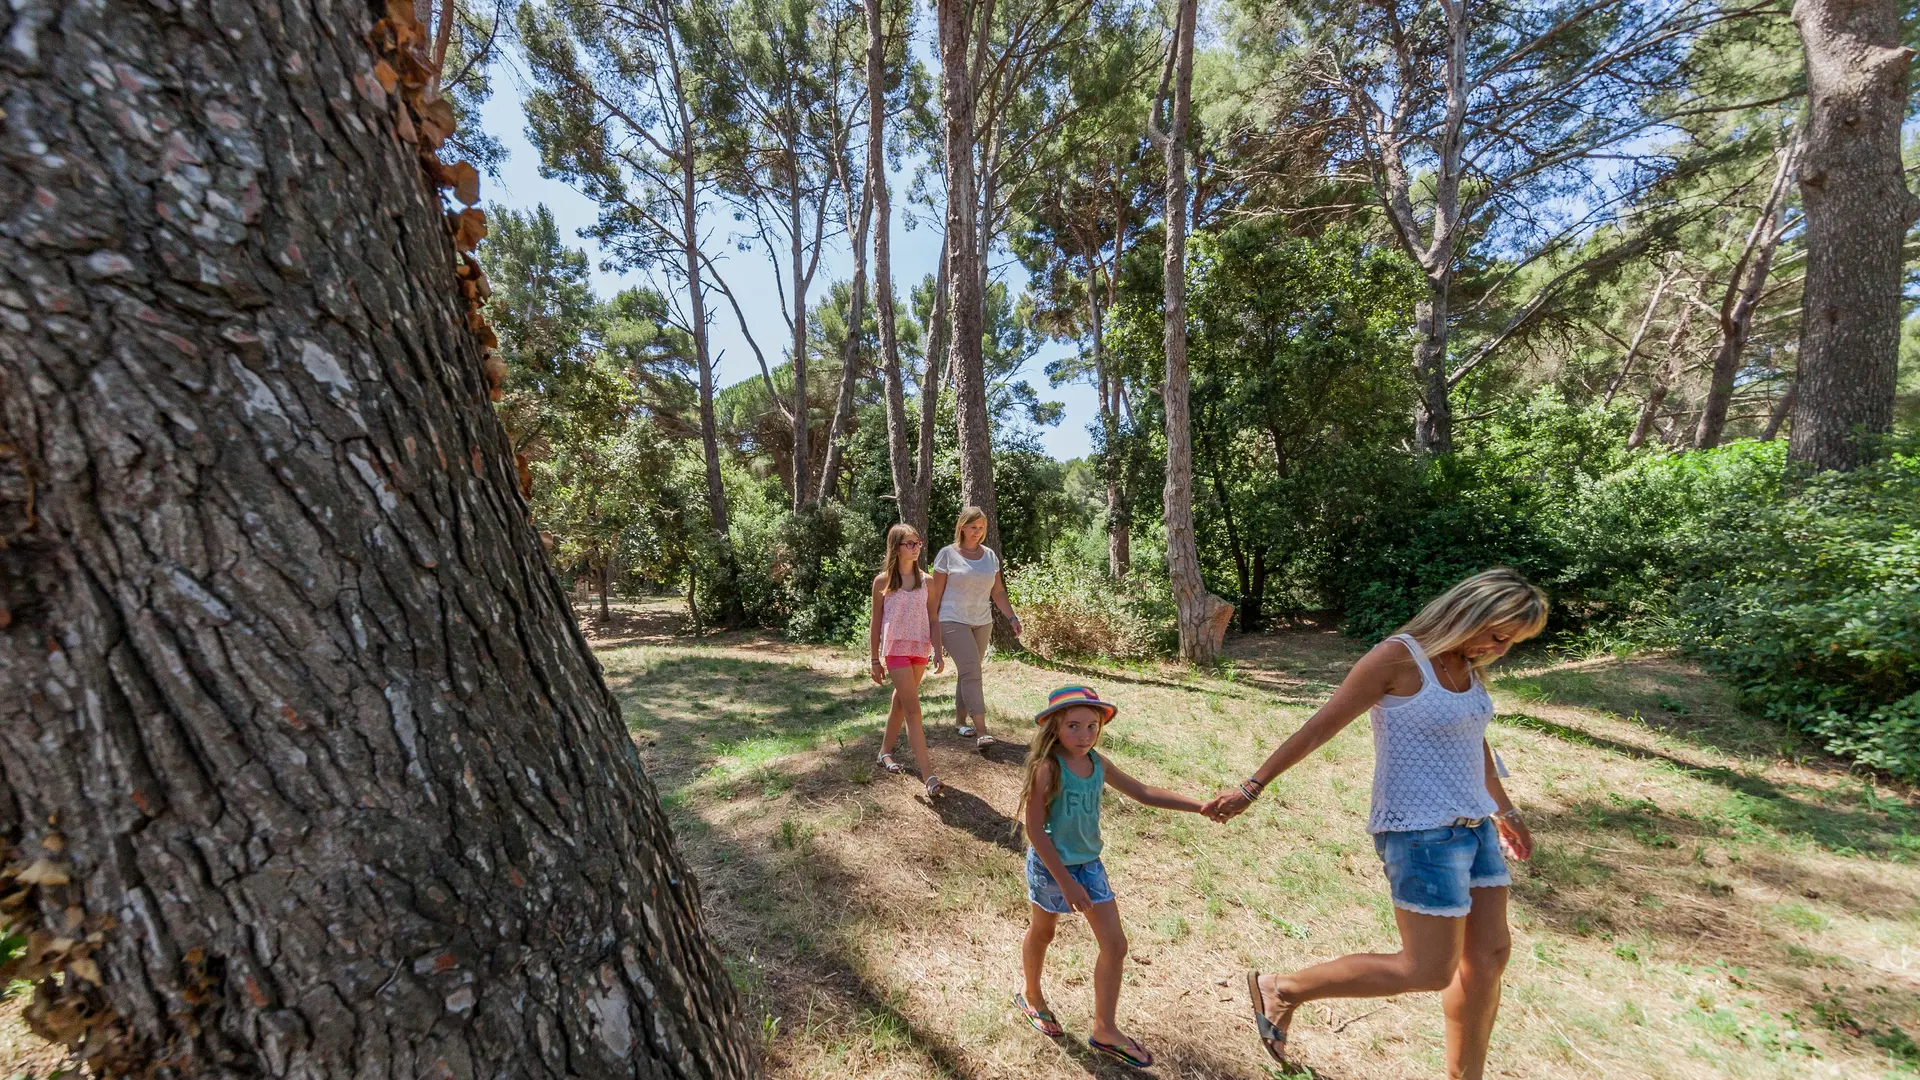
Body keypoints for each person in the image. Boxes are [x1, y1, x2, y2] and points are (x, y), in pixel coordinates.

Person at [1203, 568, 1547, 1080]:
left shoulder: (1468, 666)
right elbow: (1320, 726)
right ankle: (1283, 989)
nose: (1499, 650)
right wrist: (1252, 787)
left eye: (1511, 642)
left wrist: (1506, 810)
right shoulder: (1398, 658)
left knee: (1490, 956)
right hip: (1419, 831)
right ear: (1467, 613)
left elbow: (1474, 740)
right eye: (1497, 635)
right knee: (1428, 969)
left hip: (1475, 828)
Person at [1017, 685, 1211, 1070]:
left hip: (1089, 866)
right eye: (1073, 726)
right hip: (1052, 866)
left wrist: (1200, 806)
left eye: (1092, 726)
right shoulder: (1048, 767)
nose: (1084, 735)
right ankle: (1032, 996)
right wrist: (1067, 883)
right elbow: (1036, 831)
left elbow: (1142, 791)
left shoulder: (1097, 764)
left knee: (1116, 945)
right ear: (1054, 727)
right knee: (1044, 932)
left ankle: (1105, 1028)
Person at [927, 506, 1021, 750]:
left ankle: (960, 722)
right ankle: (982, 730)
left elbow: (998, 591)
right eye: (972, 527)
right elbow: (935, 594)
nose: (977, 532)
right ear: (962, 527)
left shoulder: (990, 556)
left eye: (981, 528)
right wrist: (931, 625)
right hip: (952, 619)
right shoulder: (947, 554)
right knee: (972, 672)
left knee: (968, 672)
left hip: (982, 620)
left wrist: (1012, 617)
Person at [868, 524, 944, 799]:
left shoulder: (928, 581)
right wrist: (875, 659)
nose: (914, 548)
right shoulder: (882, 582)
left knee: (900, 701)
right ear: (896, 547)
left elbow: (934, 619)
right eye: (909, 544)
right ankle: (928, 775)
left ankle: (884, 752)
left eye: (917, 543)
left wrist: (938, 650)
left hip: (920, 649)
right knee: (913, 710)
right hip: (896, 650)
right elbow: (875, 623)